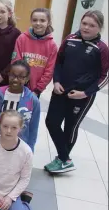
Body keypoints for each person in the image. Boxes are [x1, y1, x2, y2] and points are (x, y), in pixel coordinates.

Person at [45, 10, 109, 174]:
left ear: (99, 28)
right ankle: (65, 158)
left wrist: (85, 93)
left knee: (70, 127)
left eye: (92, 25)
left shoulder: (101, 48)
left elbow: (105, 76)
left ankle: (62, 159)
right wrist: (56, 81)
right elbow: (58, 62)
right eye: (84, 23)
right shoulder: (70, 39)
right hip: (60, 91)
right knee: (51, 122)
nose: (86, 28)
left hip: (82, 96)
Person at [0, 60, 40, 152]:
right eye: (13, 75)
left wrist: (30, 149)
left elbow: (33, 128)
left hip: (19, 148)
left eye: (21, 77)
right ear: (8, 75)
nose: (16, 79)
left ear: (27, 78)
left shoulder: (33, 101)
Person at [11, 8, 58, 97]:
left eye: (42, 20)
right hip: (18, 85)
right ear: (31, 21)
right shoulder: (22, 39)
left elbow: (49, 71)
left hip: (35, 90)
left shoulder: (52, 45)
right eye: (35, 20)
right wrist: (19, 81)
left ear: (48, 23)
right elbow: (15, 61)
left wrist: (38, 90)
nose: (38, 23)